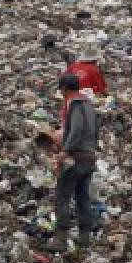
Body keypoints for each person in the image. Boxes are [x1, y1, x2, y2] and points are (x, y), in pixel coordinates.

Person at [52, 73, 99, 250]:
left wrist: (65, 151)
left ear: (64, 89)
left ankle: (61, 239)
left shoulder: (75, 104)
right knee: (82, 196)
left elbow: (77, 129)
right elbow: (95, 130)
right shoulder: (88, 104)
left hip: (77, 157)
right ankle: (84, 238)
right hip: (89, 157)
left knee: (62, 196)